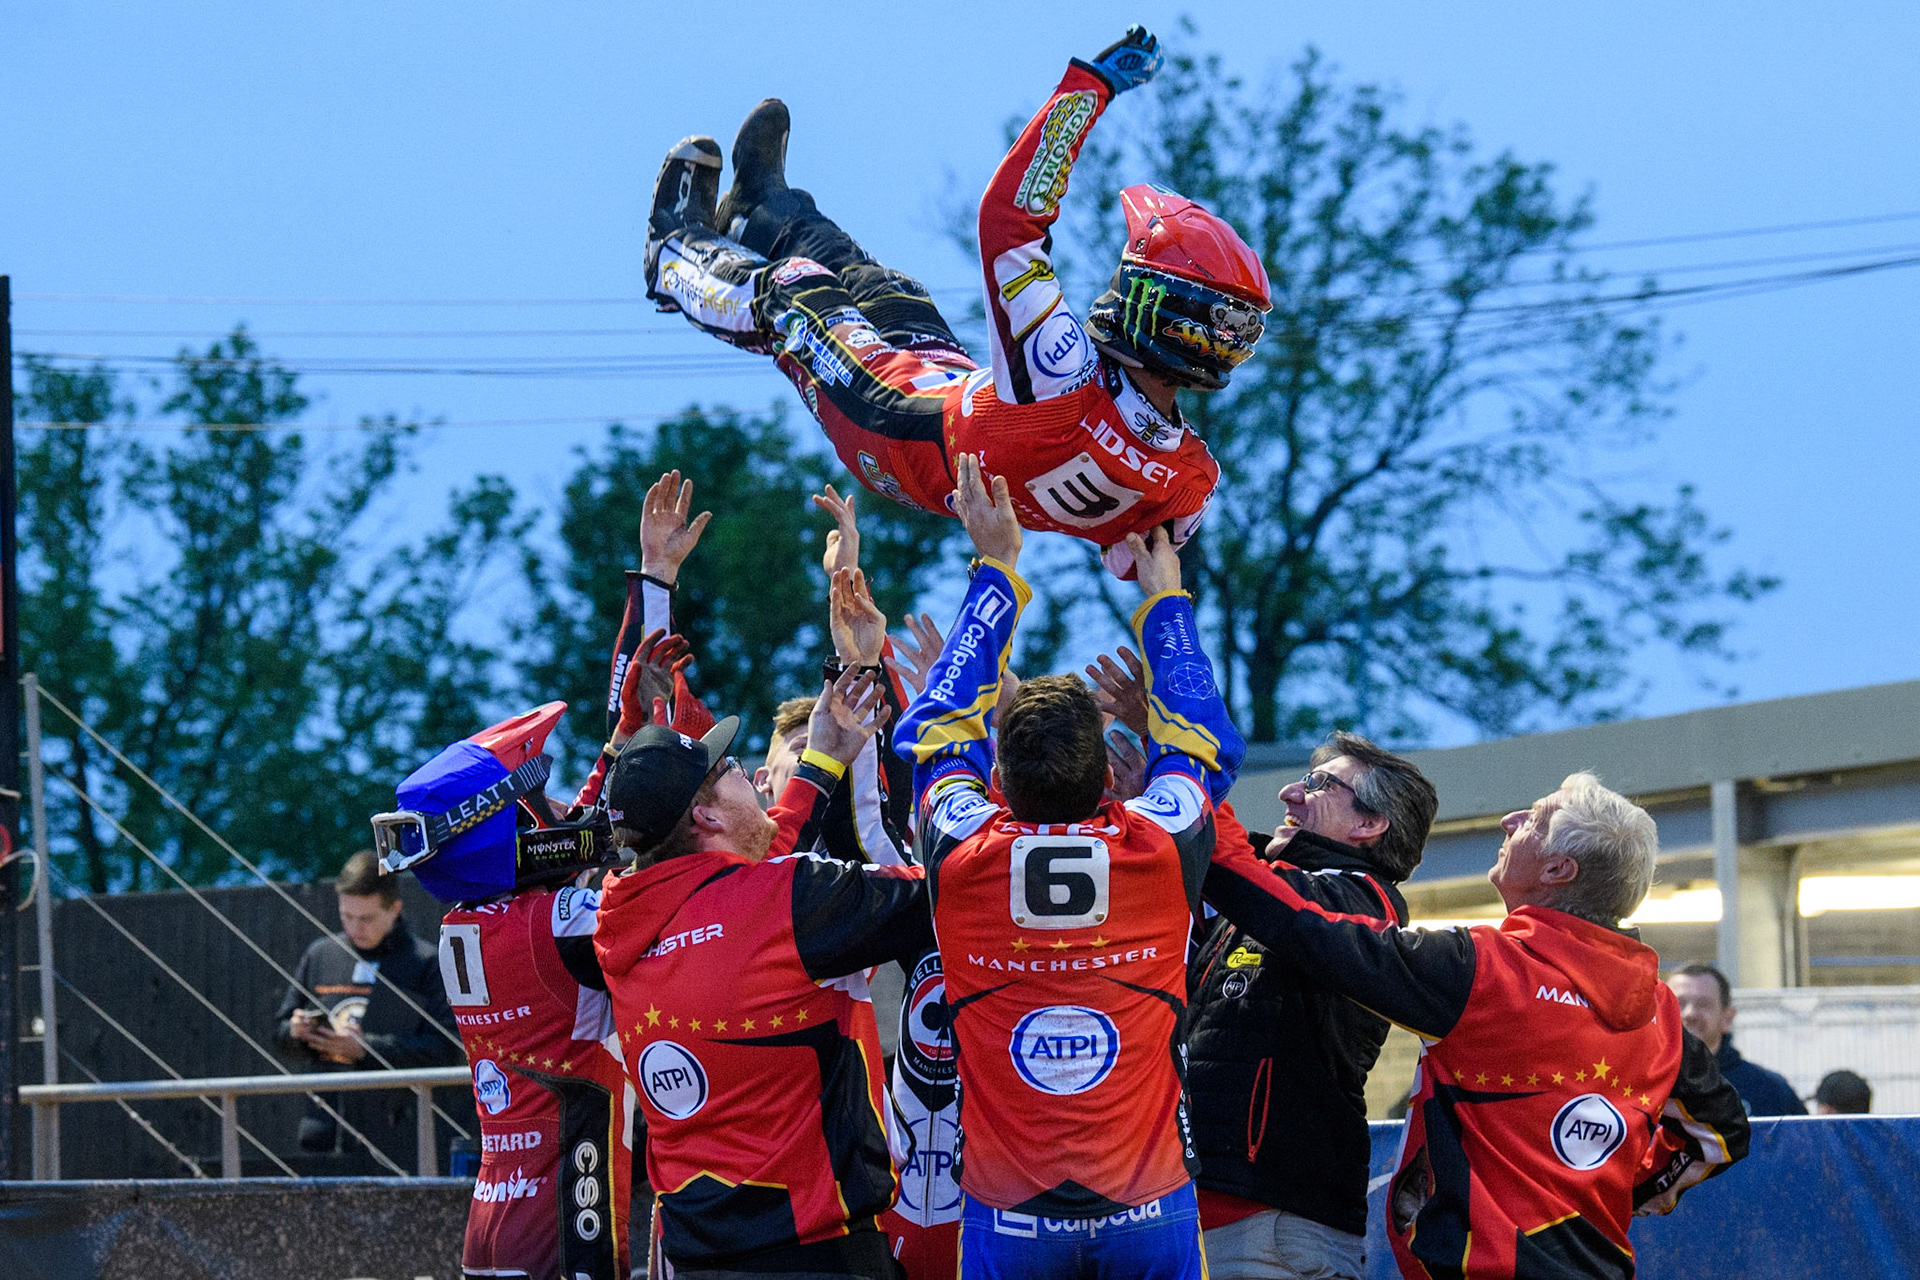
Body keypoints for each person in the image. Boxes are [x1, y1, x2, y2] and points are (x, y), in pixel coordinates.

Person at [642, 24, 1272, 580]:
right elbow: (1133, 564)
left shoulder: (1066, 373)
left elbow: (1009, 222)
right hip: (944, 396)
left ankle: (671, 253)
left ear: (1150, 307)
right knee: (887, 291)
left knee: (797, 292)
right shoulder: (1192, 481)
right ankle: (760, 209)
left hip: (894, 425)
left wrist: (1089, 91)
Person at [893, 453, 1245, 1279]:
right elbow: (1201, 743)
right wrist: (1165, 602)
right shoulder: (1156, 848)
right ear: (1107, 775)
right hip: (1149, 1205)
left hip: (1008, 1214)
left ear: (1000, 782)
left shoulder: (965, 852)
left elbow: (934, 736)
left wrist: (997, 569)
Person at [1204, 773, 1751, 1280]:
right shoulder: (1660, 1010)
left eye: (1535, 819)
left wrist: (1196, 803)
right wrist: (1615, 1187)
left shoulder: (1485, 968)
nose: (1509, 820)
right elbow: (1723, 1133)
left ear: (1560, 870)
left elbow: (1305, 927)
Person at [368, 470, 709, 1280]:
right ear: (503, 836)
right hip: (564, 1228)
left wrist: (651, 595)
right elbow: (629, 825)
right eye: (534, 800)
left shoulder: (476, 916)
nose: (552, 804)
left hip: (496, 1216)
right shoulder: (552, 924)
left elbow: (588, 818)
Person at [596, 669, 934, 1279]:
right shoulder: (784, 902)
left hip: (697, 1256)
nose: (745, 775)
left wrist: (823, 762)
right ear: (706, 817)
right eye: (728, 771)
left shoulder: (618, 921)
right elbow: (956, 892)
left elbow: (740, 890)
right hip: (820, 1255)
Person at [1181, 734, 1437, 1280]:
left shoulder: (1363, 902)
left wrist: (1186, 750)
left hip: (1276, 1227)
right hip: (1201, 1214)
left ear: (1369, 825)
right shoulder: (1278, 891)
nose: (1289, 792)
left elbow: (1224, 857)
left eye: (1320, 784)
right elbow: (1201, 854)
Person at [273, 850, 463, 1162]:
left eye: (366, 918)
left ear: (395, 909)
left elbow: (445, 1050)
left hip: (400, 1136)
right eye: (346, 916)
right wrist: (296, 1031)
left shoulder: (427, 963)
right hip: (324, 1131)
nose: (355, 928)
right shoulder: (321, 954)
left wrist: (367, 1049)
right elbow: (279, 1036)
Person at [1665, 963, 1807, 1117]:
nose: (1689, 1014)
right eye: (1678, 1003)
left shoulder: (1768, 1089)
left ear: (1727, 1018)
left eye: (1703, 1004)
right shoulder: (1640, 1084)